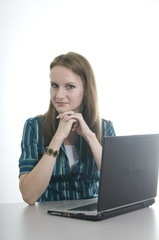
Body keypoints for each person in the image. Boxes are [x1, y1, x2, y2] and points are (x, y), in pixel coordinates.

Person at [19, 52, 115, 205]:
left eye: (69, 86)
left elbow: (116, 185)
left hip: (92, 220)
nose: (59, 95)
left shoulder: (105, 127)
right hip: (48, 220)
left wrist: (90, 136)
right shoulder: (34, 126)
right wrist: (57, 138)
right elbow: (29, 196)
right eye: (54, 85)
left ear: (86, 89)